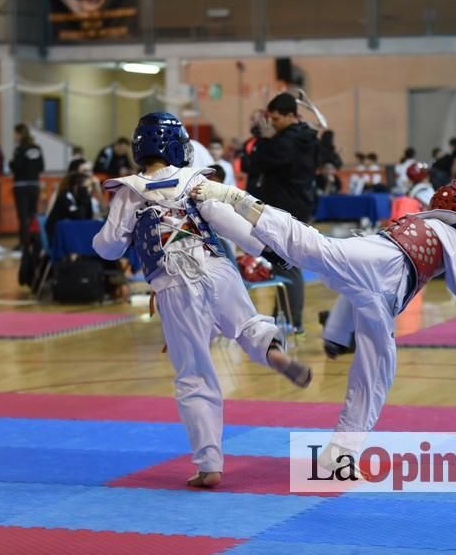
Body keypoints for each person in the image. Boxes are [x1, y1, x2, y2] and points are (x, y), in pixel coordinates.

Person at [193, 177, 456, 467]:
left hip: (373, 282)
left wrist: (336, 335)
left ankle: (212, 210)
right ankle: (233, 199)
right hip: (379, 275)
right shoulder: (455, 236)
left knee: (297, 253)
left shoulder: (424, 222)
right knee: (305, 246)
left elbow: (355, 292)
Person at [92, 112, 311, 488]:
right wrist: (266, 253)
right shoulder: (194, 180)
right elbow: (230, 223)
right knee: (247, 325)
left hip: (175, 284)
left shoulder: (129, 191)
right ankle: (270, 348)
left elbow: (108, 248)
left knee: (195, 372)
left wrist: (117, 231)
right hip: (216, 266)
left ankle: (210, 464)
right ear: (178, 145)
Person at [242, 92, 319, 334]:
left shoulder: (288, 142)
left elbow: (258, 163)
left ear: (289, 116)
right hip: (290, 205)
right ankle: (283, 315)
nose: (271, 123)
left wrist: (264, 141)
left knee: (288, 265)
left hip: (287, 209)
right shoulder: (297, 137)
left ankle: (292, 321)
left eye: (275, 119)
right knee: (283, 264)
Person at [10, 124, 45, 252]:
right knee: (32, 215)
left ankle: (24, 244)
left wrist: (11, 163)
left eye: (15, 134)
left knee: (23, 216)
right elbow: (41, 167)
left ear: (19, 134)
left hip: (21, 186)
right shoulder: (37, 148)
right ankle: (34, 242)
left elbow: (16, 166)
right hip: (34, 185)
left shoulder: (19, 149)